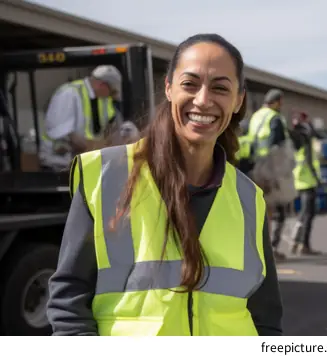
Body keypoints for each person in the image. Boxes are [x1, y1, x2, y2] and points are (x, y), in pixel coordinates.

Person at [46, 33, 283, 336]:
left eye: (220, 88)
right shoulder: (105, 177)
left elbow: (266, 317)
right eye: (190, 84)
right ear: (169, 88)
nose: (203, 100)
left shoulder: (250, 198)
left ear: (238, 101)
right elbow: (69, 301)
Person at [39, 65, 125, 171]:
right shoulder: (69, 94)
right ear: (102, 85)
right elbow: (70, 137)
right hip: (58, 165)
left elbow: (111, 126)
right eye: (111, 92)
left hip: (82, 164)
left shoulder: (101, 99)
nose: (110, 96)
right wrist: (100, 149)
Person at [247, 89, 295, 261]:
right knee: (273, 209)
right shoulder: (275, 118)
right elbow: (279, 147)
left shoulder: (256, 116)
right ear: (277, 101)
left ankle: (260, 248)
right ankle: (269, 250)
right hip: (270, 169)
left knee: (261, 210)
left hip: (256, 167)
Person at [289, 110, 323, 255]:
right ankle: (304, 244)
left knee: (302, 213)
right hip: (308, 180)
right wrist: (317, 179)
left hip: (297, 179)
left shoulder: (293, 136)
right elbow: (309, 160)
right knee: (307, 214)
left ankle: (297, 241)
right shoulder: (306, 136)